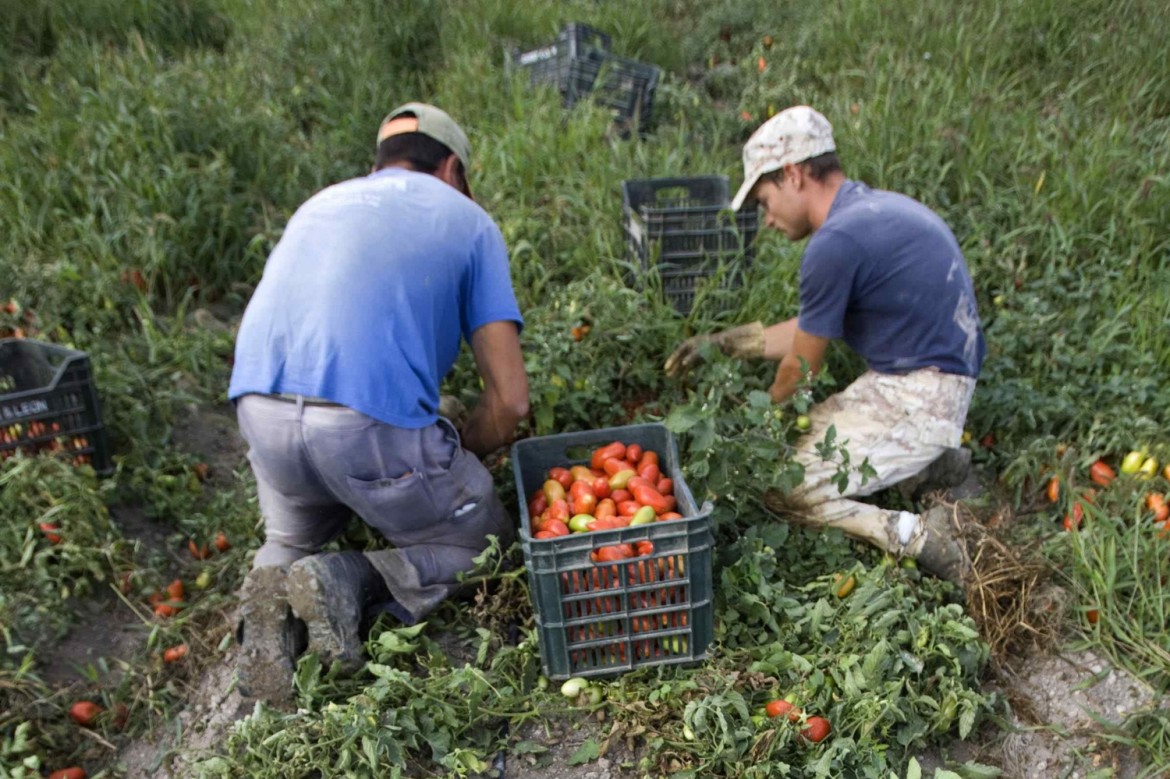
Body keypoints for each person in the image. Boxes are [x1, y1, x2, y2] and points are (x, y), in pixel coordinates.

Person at [226, 103, 529, 702]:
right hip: (364, 428)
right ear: (450, 170)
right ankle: (351, 576)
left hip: (259, 410)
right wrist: (462, 449)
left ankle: (273, 588)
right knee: (486, 542)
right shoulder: (467, 220)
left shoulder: (321, 203)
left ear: (382, 163)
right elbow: (511, 401)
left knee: (292, 532)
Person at [665, 105, 985, 583]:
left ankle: (916, 536)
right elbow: (814, 325)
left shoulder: (835, 242)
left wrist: (761, 434)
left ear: (793, 175)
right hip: (924, 382)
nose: (766, 218)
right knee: (810, 442)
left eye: (764, 199)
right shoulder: (873, 212)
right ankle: (932, 463)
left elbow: (799, 370)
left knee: (781, 486)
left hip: (920, 397)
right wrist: (731, 343)